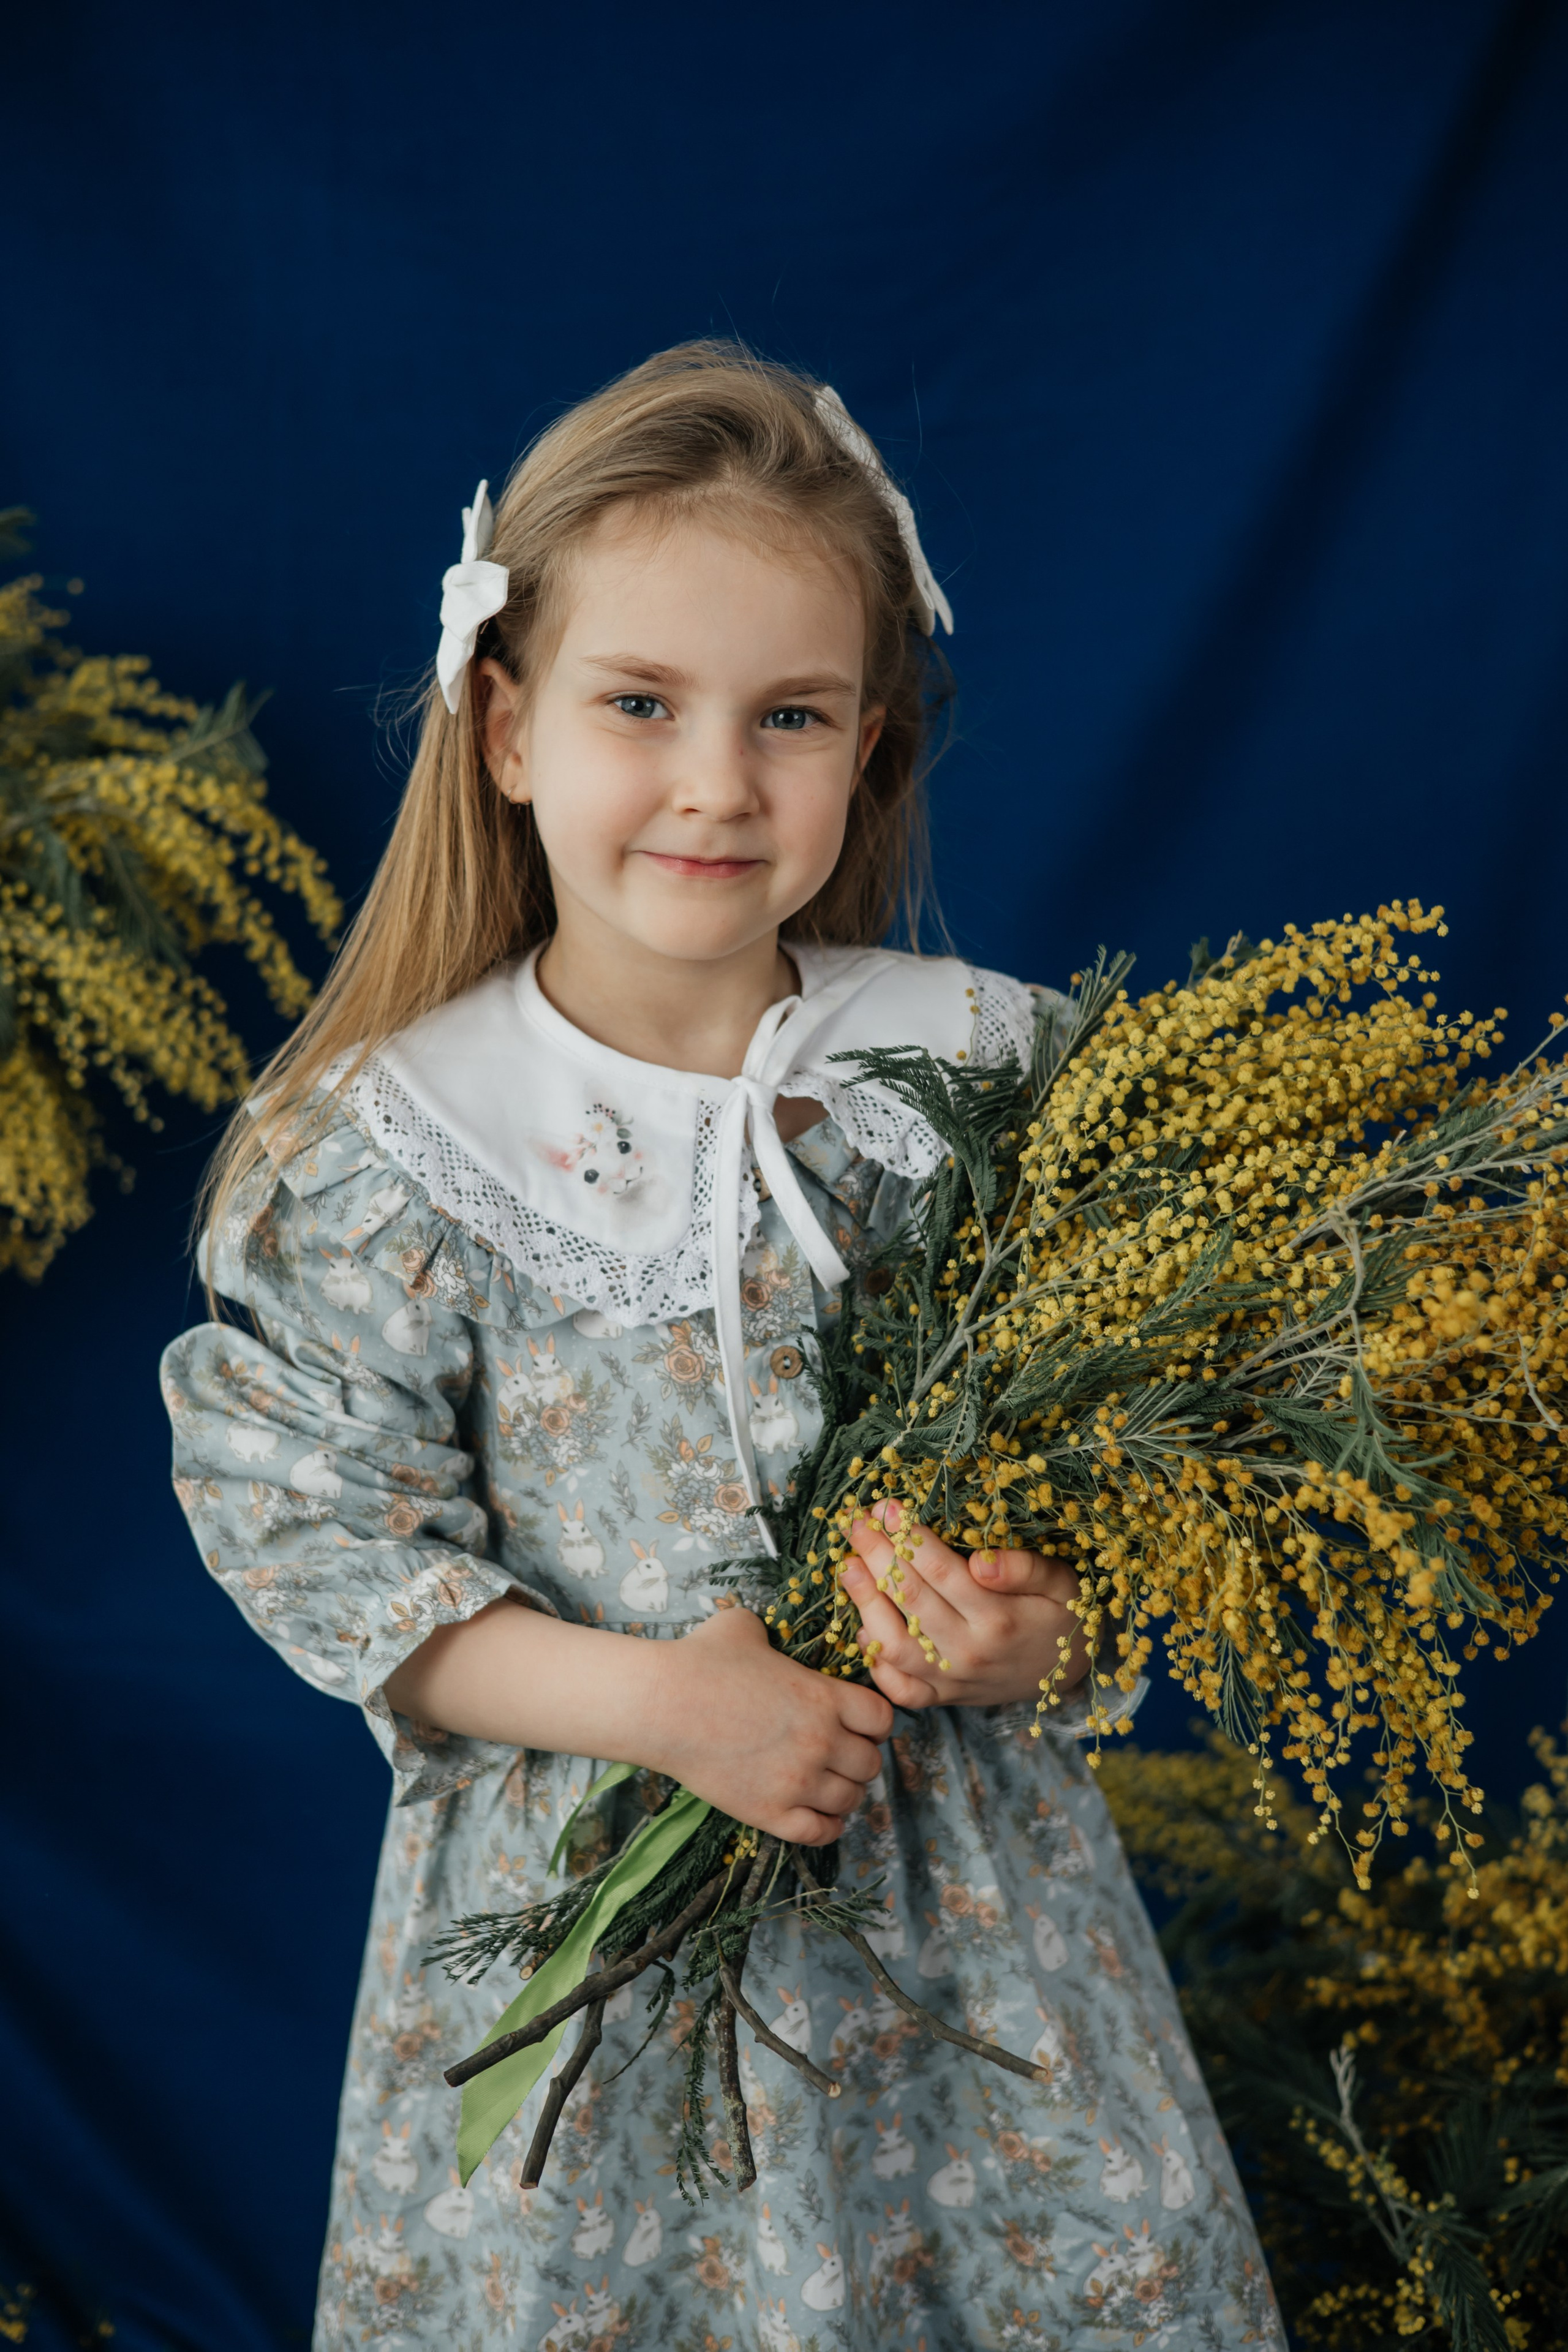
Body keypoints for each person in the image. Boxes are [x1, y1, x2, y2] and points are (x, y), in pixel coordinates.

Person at [162, 341, 1278, 2350]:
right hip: (589, 1959)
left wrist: (1032, 1626)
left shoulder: (983, 1082)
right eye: (641, 705)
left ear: (869, 749)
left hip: (972, 1960)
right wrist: (668, 1708)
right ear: (505, 727)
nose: (714, 782)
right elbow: (322, 1544)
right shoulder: (390, 1153)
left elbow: (1140, 1487)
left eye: (790, 718)